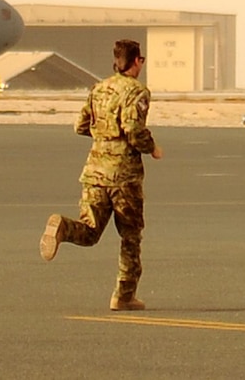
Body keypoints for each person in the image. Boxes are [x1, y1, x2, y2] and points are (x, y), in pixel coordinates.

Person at [40, 38, 162, 311]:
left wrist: (103, 138)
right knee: (130, 236)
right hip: (123, 177)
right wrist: (151, 147)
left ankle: (63, 226)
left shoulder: (99, 89)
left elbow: (80, 125)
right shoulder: (137, 91)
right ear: (136, 61)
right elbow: (133, 129)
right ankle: (124, 295)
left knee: (91, 231)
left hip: (94, 172)